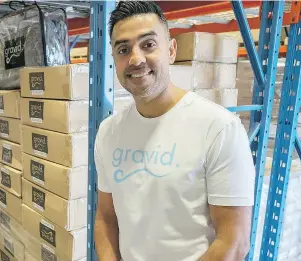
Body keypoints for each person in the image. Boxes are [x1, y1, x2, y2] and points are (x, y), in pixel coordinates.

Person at [94, 2, 255, 261]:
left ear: (170, 51)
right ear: (115, 60)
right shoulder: (108, 132)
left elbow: (234, 243)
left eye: (148, 45)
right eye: (124, 49)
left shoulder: (218, 128)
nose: (135, 59)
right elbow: (106, 218)